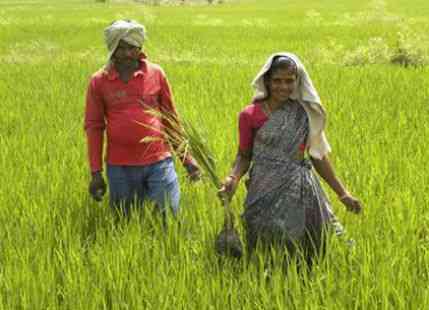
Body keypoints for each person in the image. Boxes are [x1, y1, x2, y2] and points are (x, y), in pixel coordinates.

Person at [219, 52, 362, 268]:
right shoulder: (249, 115)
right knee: (265, 244)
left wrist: (343, 193)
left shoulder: (305, 114)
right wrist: (233, 178)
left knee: (307, 247)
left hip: (301, 189)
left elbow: (318, 157)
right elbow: (244, 155)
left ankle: (304, 288)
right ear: (267, 80)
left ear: (297, 81)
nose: (283, 87)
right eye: (277, 80)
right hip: (263, 189)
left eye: (289, 81)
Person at [84, 20, 200, 218]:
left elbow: (170, 119)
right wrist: (96, 172)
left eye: (133, 48)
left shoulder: (156, 74)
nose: (128, 53)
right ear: (113, 49)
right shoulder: (99, 81)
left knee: (169, 219)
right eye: (122, 48)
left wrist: (187, 159)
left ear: (140, 48)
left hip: (159, 162)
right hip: (120, 167)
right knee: (125, 222)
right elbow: (94, 127)